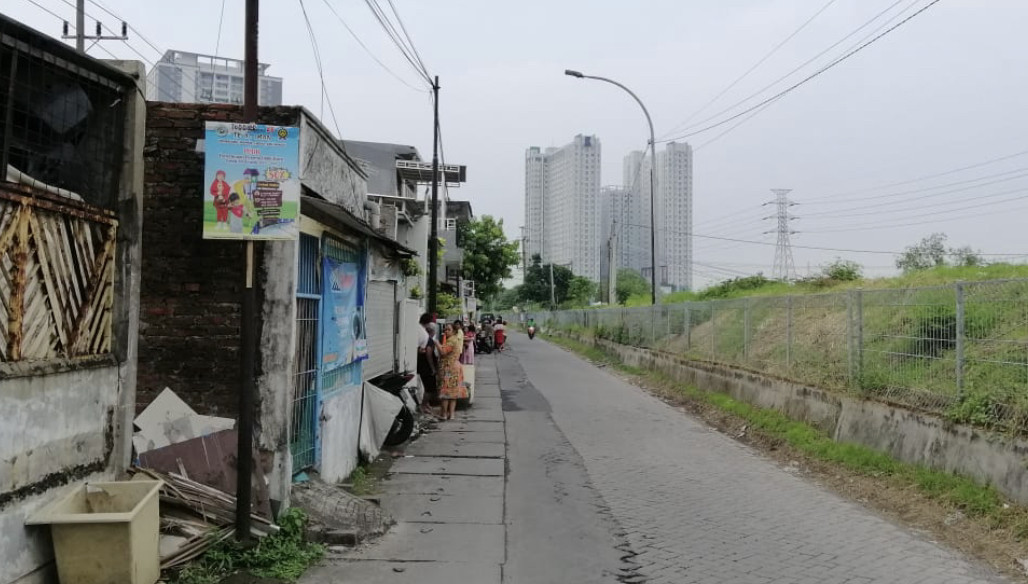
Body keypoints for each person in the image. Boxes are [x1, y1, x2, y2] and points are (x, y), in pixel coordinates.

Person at [437, 323, 467, 420]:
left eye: (448, 330)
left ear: (454, 331)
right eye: (445, 330)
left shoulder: (451, 341)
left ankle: (445, 414)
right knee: (453, 394)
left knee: (446, 393)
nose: (446, 331)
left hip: (449, 368)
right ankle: (452, 414)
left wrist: (436, 343)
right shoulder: (454, 339)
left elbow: (443, 352)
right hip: (455, 367)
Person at [416, 313, 439, 416]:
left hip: (421, 366)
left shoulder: (419, 331)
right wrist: (433, 368)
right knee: (430, 388)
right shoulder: (427, 339)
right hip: (426, 367)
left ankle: (426, 405)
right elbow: (429, 353)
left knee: (427, 387)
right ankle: (423, 405)